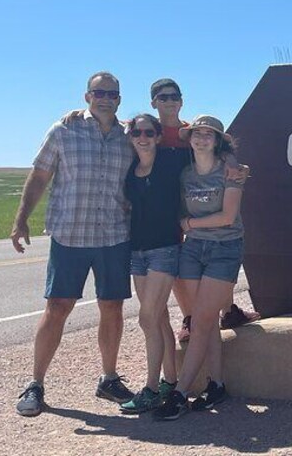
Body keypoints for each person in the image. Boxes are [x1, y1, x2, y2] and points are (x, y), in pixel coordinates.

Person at [12, 71, 135, 417]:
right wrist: (21, 219)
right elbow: (39, 175)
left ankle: (108, 378)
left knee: (112, 308)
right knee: (58, 307)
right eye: (99, 93)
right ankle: (35, 383)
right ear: (87, 97)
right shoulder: (63, 130)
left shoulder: (131, 135)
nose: (105, 98)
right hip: (70, 235)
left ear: (119, 99)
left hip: (114, 236)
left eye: (112, 93)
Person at [148, 78, 259, 342]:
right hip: (165, 202)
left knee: (214, 251)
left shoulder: (191, 130)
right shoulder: (147, 130)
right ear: (153, 102)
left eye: (174, 96)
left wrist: (233, 162)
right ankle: (190, 317)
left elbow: (221, 146)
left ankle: (228, 310)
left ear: (181, 100)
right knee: (178, 261)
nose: (170, 101)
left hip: (196, 197)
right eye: (163, 97)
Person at [154, 115, 245, 420]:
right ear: (189, 138)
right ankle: (216, 383)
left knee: (203, 321)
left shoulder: (231, 172)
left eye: (209, 134)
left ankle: (179, 393)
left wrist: (190, 223)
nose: (202, 138)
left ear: (217, 140)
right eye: (197, 133)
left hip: (224, 248)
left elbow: (228, 216)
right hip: (192, 249)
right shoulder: (186, 176)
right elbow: (179, 208)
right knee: (203, 321)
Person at [118, 114, 186, 413]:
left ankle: (151, 388)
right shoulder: (131, 169)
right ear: (130, 136)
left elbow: (210, 145)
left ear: (159, 136)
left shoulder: (172, 160)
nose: (142, 137)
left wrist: (235, 164)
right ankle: (170, 381)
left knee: (146, 318)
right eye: (136, 132)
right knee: (158, 319)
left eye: (148, 132)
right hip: (138, 251)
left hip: (165, 248)